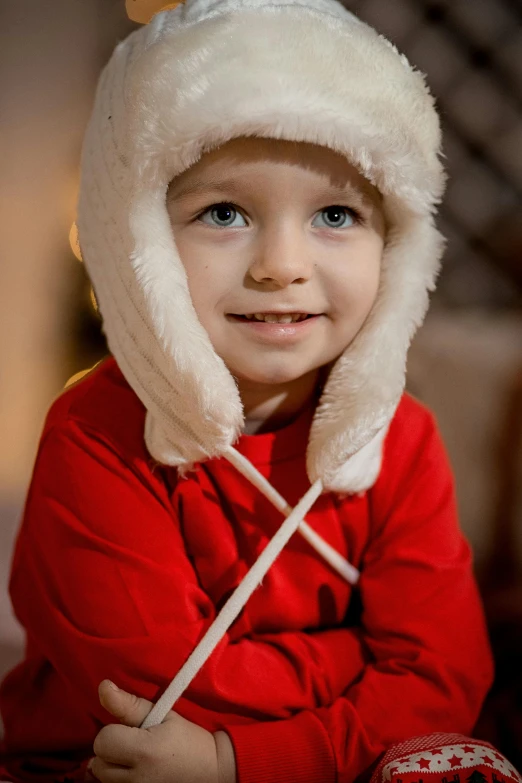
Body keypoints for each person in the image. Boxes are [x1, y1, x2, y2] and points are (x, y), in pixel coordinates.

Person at [0, 0, 519, 781]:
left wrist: (238, 761)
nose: (282, 263)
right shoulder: (94, 433)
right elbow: (154, 693)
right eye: (224, 212)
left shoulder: (399, 437)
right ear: (137, 238)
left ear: (398, 248)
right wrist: (361, 658)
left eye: (336, 214)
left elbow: (445, 681)